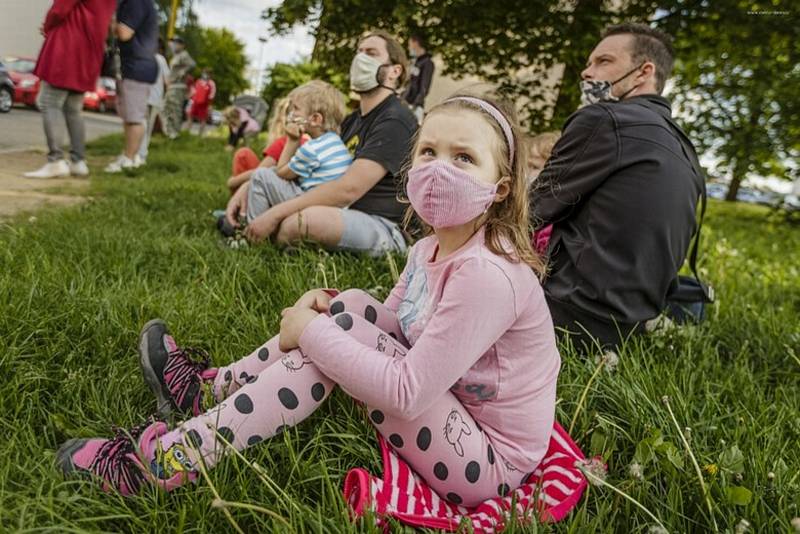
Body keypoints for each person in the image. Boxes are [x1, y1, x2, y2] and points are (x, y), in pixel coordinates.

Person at [56, 92, 561, 510]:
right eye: (428, 152)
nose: (438, 169)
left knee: (326, 350)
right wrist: (329, 309)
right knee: (351, 306)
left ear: (498, 189)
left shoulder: (489, 275)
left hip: (489, 464)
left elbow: (406, 392)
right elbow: (389, 327)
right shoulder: (430, 246)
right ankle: (208, 394)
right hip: (448, 405)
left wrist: (310, 333)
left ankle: (166, 463)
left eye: (464, 157)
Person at [530, 23, 704, 349]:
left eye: (603, 61)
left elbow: (530, 211)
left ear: (643, 73)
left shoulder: (604, 120)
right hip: (628, 327)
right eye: (589, 62)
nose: (586, 72)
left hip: (565, 317)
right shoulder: (686, 150)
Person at [225, 30, 417, 256]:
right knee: (289, 210)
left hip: (383, 225)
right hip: (337, 210)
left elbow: (348, 189)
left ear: (395, 71)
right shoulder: (351, 121)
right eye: (359, 52)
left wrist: (275, 213)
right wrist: (249, 186)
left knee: (300, 222)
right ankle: (264, 231)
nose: (360, 59)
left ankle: (263, 233)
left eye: (371, 53)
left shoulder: (395, 119)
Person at [219, 80, 352, 236]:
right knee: (270, 173)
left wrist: (292, 140)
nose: (291, 113)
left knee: (262, 175)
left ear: (315, 119)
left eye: (296, 108)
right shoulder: (336, 144)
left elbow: (281, 173)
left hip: (310, 206)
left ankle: (251, 233)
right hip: (330, 209)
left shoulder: (311, 149)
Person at [23, 0, 116, 179]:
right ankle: (78, 161)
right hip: (90, 50)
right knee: (73, 109)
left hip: (68, 45)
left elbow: (59, 10)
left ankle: (56, 160)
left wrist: (47, 26)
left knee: (50, 101)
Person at [104, 0, 159, 173]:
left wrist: (111, 21)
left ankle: (129, 158)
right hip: (135, 66)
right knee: (130, 115)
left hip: (137, 67)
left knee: (134, 117)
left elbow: (124, 32)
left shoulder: (135, 2)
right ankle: (129, 155)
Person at [225, 97, 299, 195]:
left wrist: (233, 181)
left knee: (243, 153)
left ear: (278, 120)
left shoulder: (282, 143)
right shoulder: (309, 142)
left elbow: (259, 172)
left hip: (271, 194)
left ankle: (236, 204)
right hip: (294, 194)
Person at [137, 38, 170, 165]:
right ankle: (142, 155)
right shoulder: (162, 60)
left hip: (143, 95)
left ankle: (139, 153)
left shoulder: (144, 56)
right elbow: (167, 82)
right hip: (155, 98)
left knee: (140, 124)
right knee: (148, 128)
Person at [162, 36, 195, 139]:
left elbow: (192, 64)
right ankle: (169, 131)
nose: (173, 45)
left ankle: (175, 133)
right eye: (173, 43)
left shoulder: (184, 55)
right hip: (172, 86)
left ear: (182, 45)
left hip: (178, 86)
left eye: (176, 43)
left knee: (175, 109)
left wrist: (182, 72)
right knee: (166, 108)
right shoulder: (176, 56)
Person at [402, 32, 435, 124]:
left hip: (414, 106)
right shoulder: (415, 62)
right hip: (405, 102)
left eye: (409, 45)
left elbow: (424, 87)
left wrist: (414, 104)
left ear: (415, 43)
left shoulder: (427, 63)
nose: (409, 48)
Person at [185, 68, 216, 137]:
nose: (205, 74)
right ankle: (187, 132)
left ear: (210, 75)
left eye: (206, 73)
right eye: (204, 73)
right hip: (195, 102)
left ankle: (200, 135)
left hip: (204, 104)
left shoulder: (211, 83)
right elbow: (194, 91)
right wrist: (189, 97)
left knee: (203, 119)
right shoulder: (198, 81)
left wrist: (210, 105)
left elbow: (212, 94)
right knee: (190, 116)